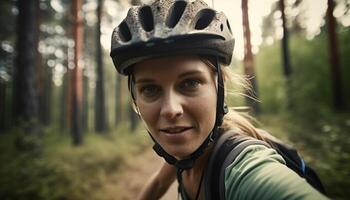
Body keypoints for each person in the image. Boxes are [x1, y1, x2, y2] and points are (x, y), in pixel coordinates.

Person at [110, 0, 329, 199]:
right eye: (149, 89)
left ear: (220, 87)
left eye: (190, 83)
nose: (171, 110)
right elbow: (158, 183)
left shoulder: (245, 171)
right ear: (135, 98)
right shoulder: (183, 157)